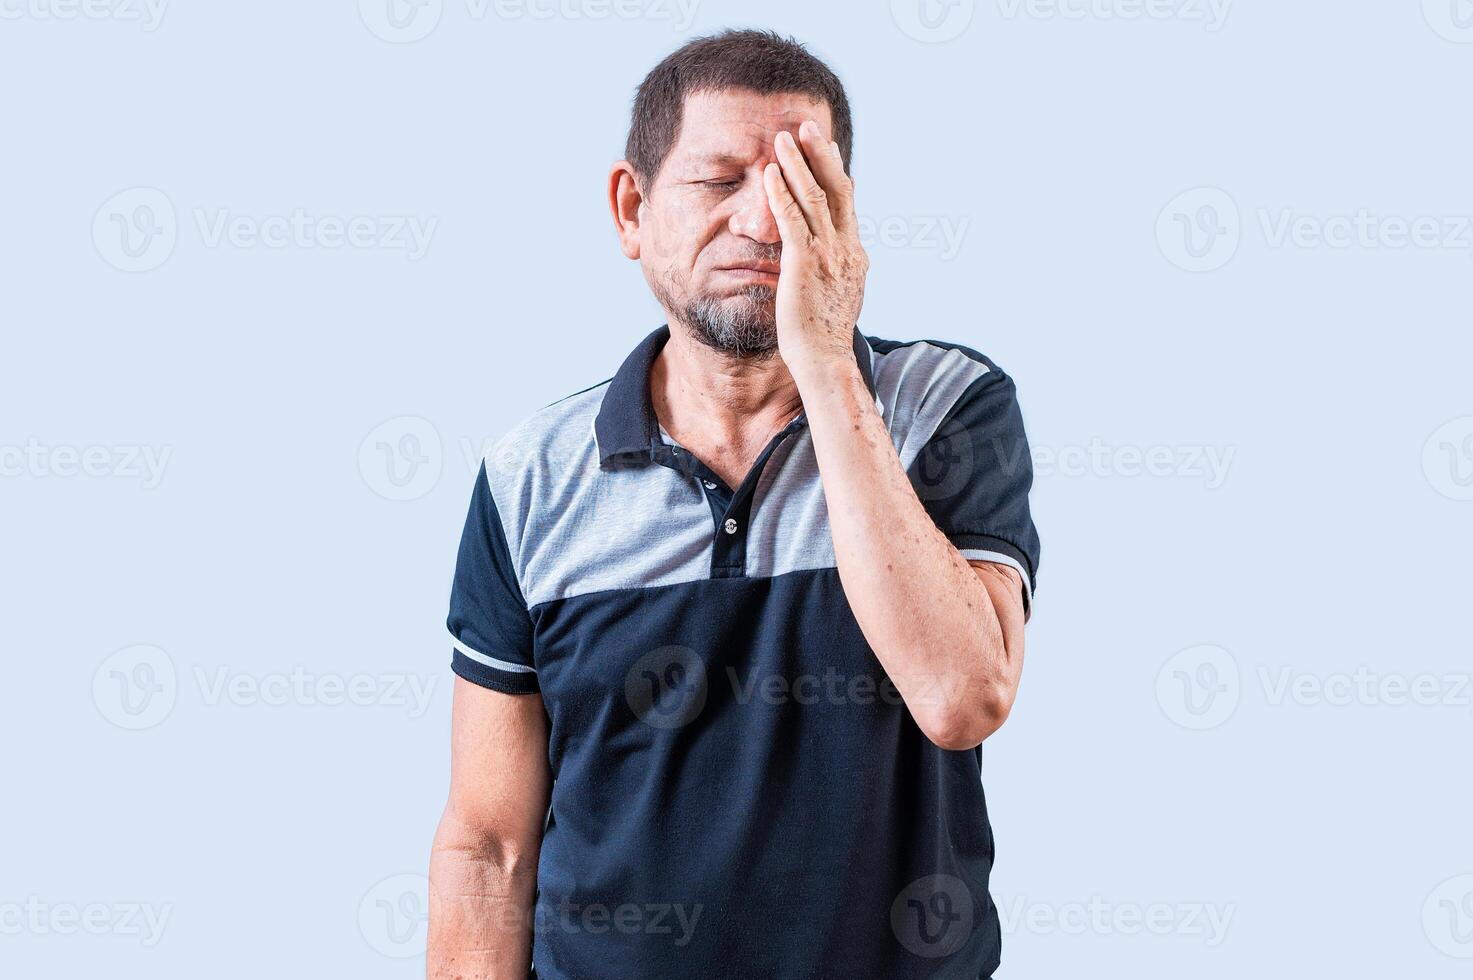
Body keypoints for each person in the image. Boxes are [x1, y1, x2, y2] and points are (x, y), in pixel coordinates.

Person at [428, 29, 1041, 980]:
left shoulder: (941, 410)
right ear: (631, 210)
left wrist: (828, 361)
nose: (765, 225)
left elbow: (962, 697)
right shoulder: (529, 476)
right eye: (720, 183)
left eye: (802, 190)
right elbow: (489, 845)